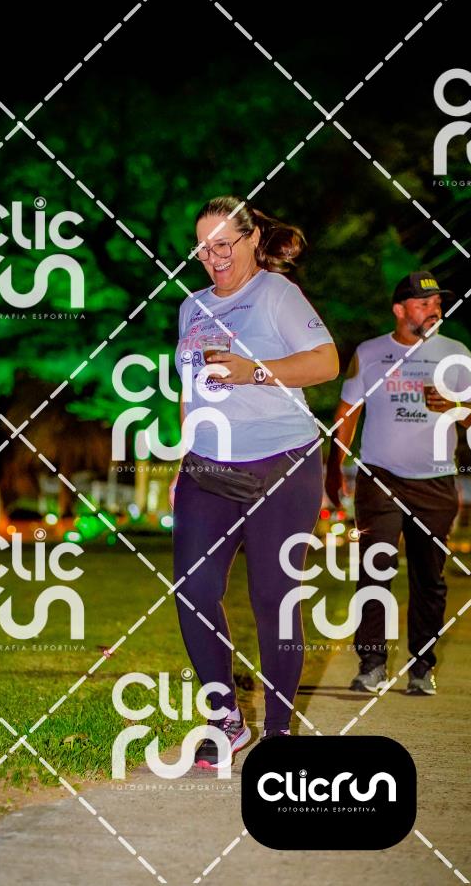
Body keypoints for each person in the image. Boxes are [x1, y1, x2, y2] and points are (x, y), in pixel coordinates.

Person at [169, 195, 339, 769]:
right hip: (208, 467)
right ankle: (226, 721)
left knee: (273, 597)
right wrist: (184, 458)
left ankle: (279, 731)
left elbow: (326, 362)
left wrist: (255, 371)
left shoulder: (275, 293)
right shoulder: (191, 307)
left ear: (251, 240)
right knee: (194, 591)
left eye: (223, 245)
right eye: (203, 248)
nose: (213, 257)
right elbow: (189, 393)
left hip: (281, 462)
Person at [325, 271, 471, 696]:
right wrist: (334, 466)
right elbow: (348, 412)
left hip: (436, 481)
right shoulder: (370, 353)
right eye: (424, 304)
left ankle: (422, 667)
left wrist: (456, 406)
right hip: (380, 477)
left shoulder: (456, 354)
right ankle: (372, 664)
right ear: (399, 310)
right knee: (375, 569)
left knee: (430, 579)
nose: (435, 311)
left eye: (438, 304)